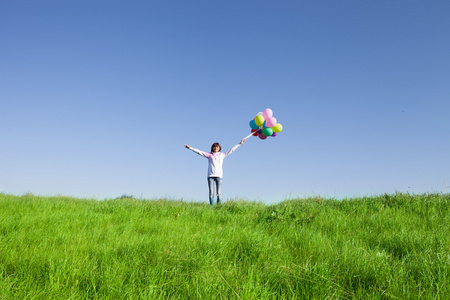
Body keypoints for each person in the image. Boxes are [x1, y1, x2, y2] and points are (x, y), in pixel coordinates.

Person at [185, 139, 245, 205]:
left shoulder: (222, 154)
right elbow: (199, 152)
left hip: (219, 176)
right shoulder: (209, 155)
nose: (216, 148)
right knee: (211, 193)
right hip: (210, 176)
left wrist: (240, 143)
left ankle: (218, 206)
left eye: (217, 147)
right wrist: (190, 148)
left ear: (219, 148)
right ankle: (212, 206)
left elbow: (232, 150)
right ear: (212, 148)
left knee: (219, 193)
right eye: (214, 147)